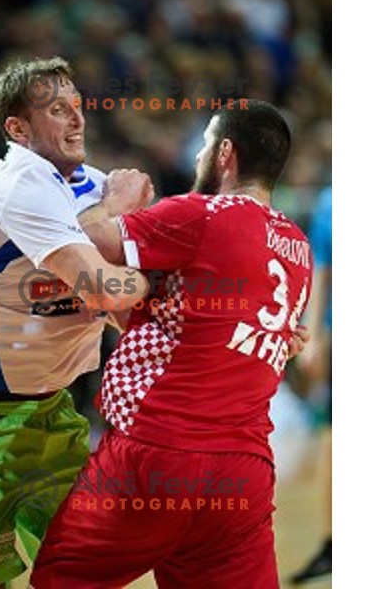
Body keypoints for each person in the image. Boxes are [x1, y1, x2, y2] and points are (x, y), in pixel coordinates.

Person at [31, 100, 314, 589]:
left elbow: (76, 243)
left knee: (61, 579)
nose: (199, 155)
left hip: (158, 451)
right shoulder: (297, 247)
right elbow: (204, 326)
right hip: (243, 473)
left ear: (225, 152)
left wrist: (117, 201)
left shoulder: (201, 214)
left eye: (205, 144)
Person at [0, 57, 153, 589]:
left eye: (77, 106)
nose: (77, 120)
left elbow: (132, 307)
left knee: (87, 556)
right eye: (58, 110)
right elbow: (111, 291)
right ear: (18, 129)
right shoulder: (20, 183)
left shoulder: (96, 186)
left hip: (53, 408)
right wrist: (123, 239)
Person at [291, 185, 332, 585]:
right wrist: (315, 336)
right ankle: (332, 541)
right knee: (333, 439)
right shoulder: (330, 201)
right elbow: (322, 269)